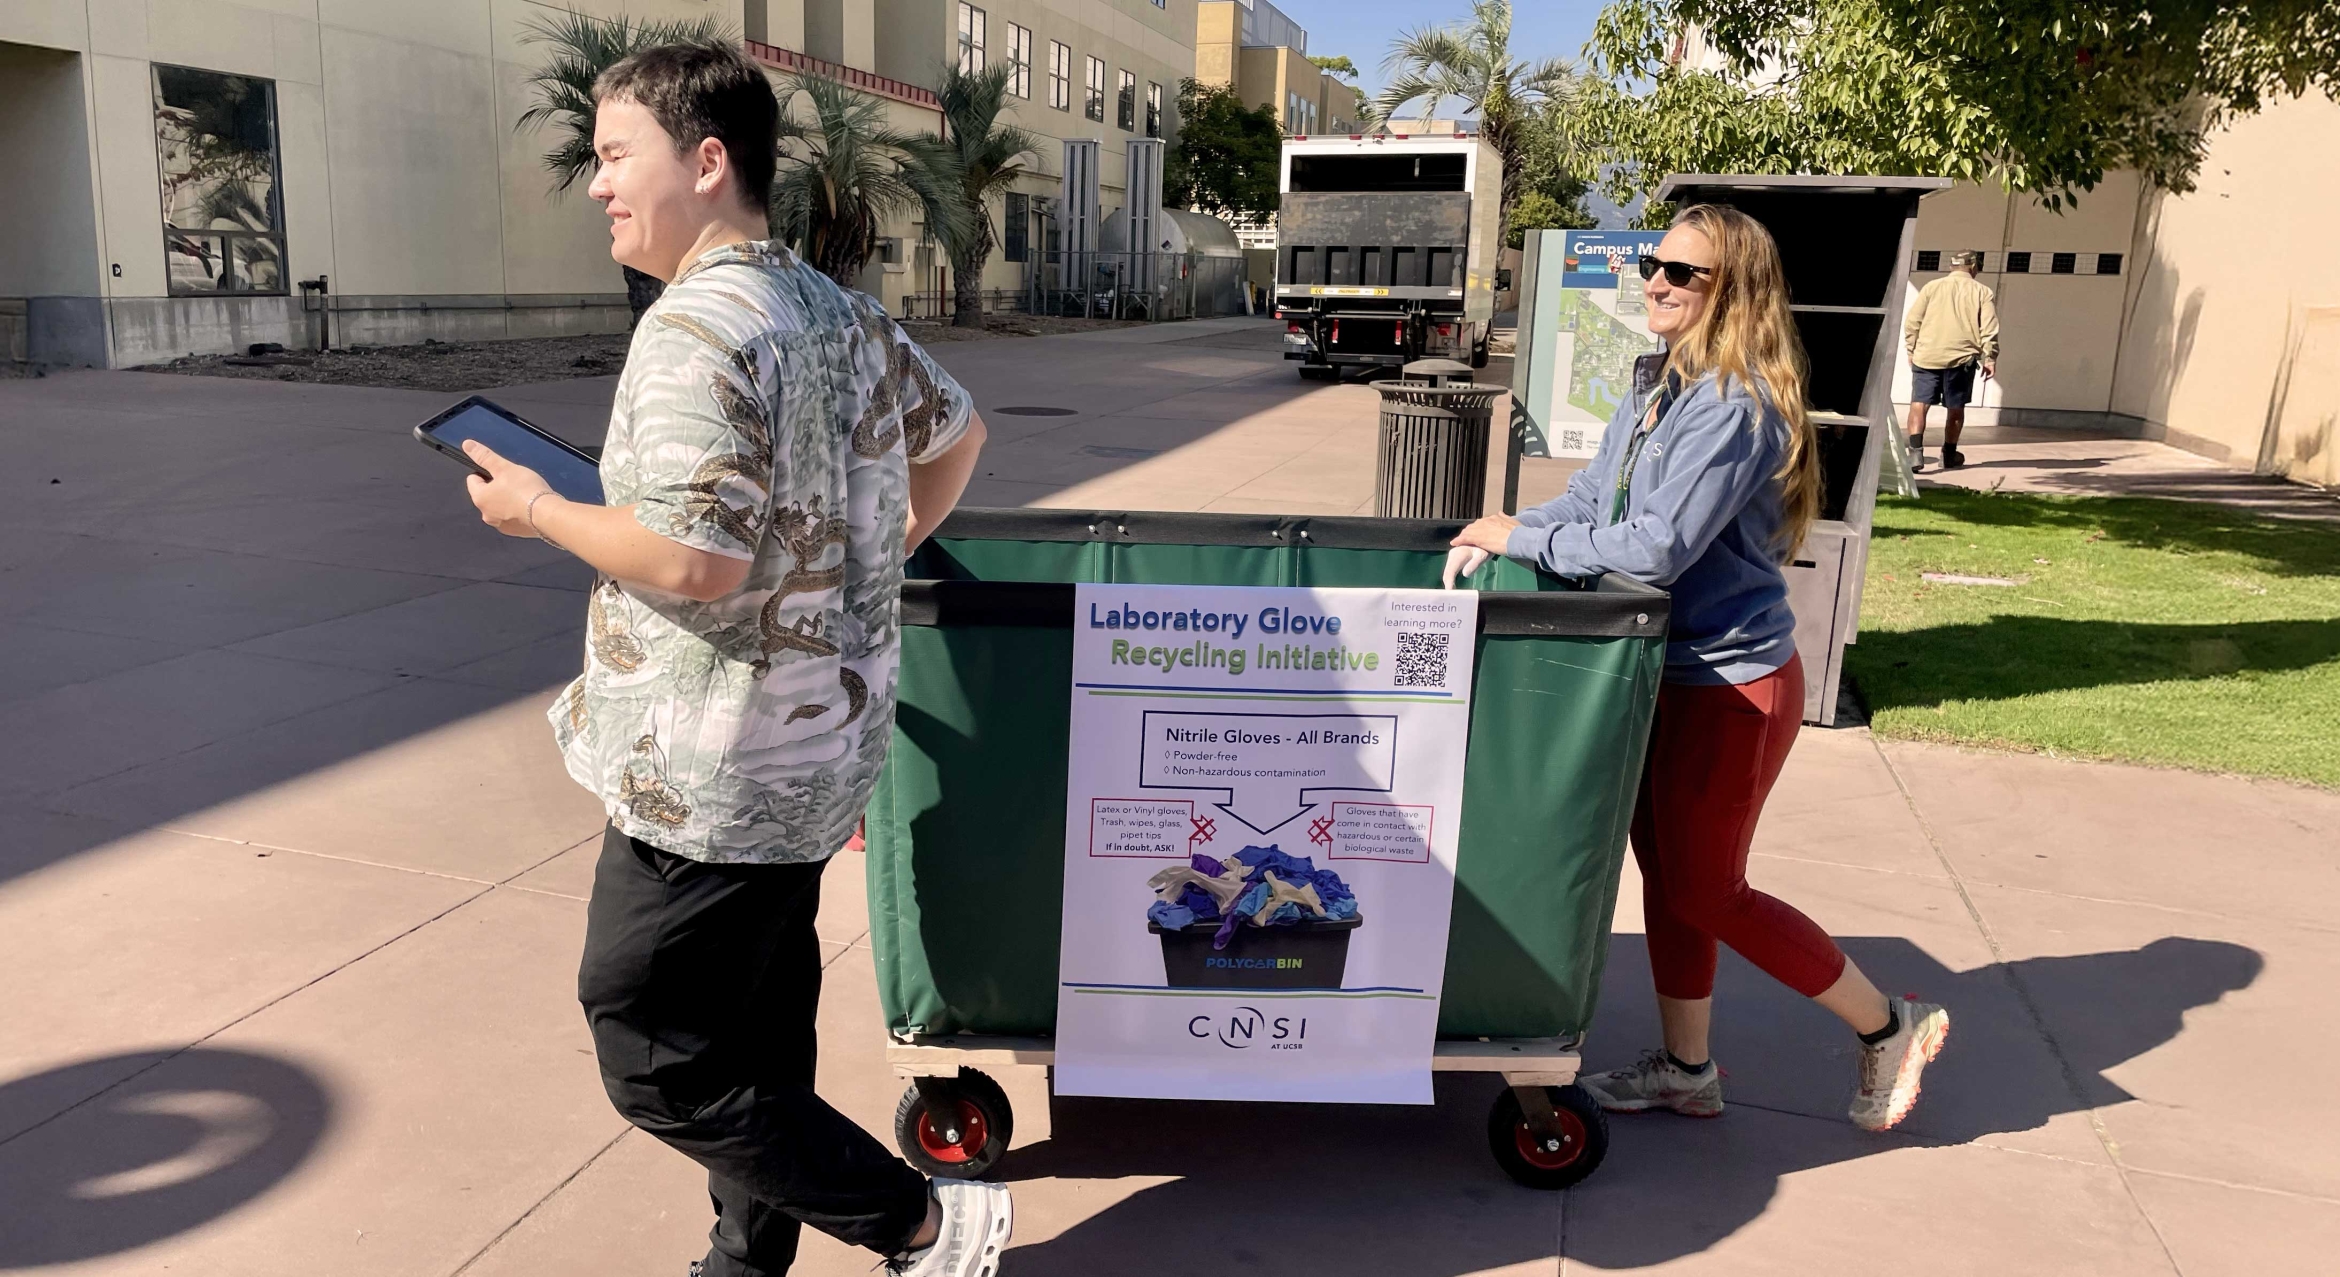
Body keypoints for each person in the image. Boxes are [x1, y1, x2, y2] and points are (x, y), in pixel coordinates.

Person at [456, 41, 1006, 1277]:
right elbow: (959, 432)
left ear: (708, 162)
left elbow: (692, 562)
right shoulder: (839, 308)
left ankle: (922, 1220)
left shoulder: (692, 329)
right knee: (757, 1018)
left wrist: (537, 508)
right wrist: (866, 560)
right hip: (821, 745)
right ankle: (749, 1253)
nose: (597, 185)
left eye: (613, 157)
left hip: (708, 772)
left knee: (653, 1046)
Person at [1446, 204, 1949, 1132]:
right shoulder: (1660, 384)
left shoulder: (1735, 403)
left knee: (1709, 885)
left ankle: (1890, 1025)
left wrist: (1522, 537)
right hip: (1664, 672)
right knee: (1668, 872)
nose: (1656, 282)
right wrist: (1509, 530)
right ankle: (1686, 1068)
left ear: (1736, 290)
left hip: (1733, 686)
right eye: (1652, 264)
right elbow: (1596, 498)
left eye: (1683, 272)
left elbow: (1651, 550)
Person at [1901, 249, 1999, 471]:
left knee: (1918, 405)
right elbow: (1989, 328)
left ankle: (1915, 455)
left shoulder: (1931, 288)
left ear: (1952, 266)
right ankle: (1949, 454)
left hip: (1926, 356)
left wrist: (1911, 350)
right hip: (1960, 360)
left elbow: (1912, 322)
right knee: (1955, 408)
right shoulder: (1982, 292)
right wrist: (1990, 357)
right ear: (1973, 267)